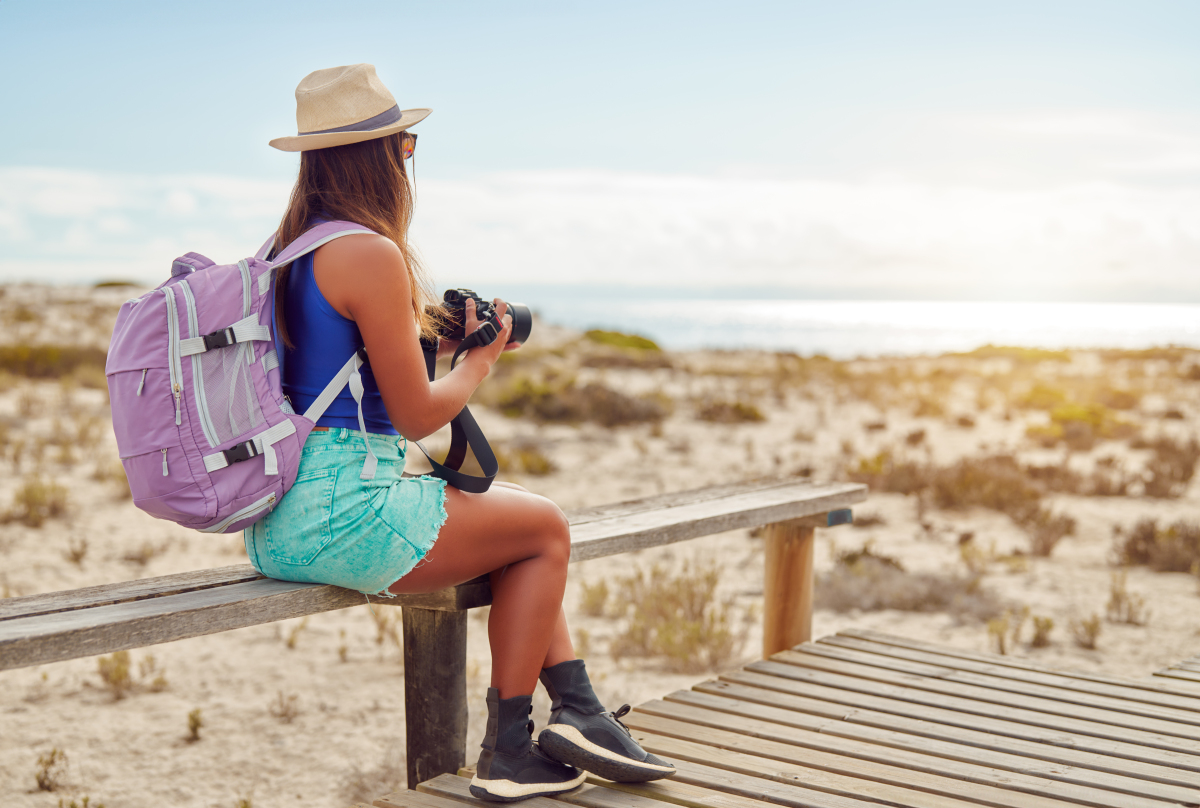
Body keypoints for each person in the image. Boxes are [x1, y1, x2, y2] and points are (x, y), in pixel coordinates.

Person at [245, 64, 675, 803]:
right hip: (348, 516)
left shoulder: (283, 253)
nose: (409, 159)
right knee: (543, 528)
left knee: (512, 524)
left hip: (276, 523)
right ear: (380, 155)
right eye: (406, 146)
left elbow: (339, 379)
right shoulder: (371, 254)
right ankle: (514, 745)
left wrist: (441, 347)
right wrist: (477, 363)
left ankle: (579, 715)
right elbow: (416, 417)